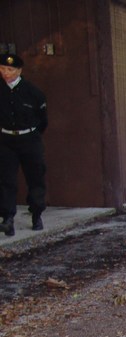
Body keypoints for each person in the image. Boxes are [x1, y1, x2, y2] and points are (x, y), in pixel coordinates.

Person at [0, 53, 48, 237]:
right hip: (6, 140)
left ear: (19, 71)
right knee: (6, 180)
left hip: (29, 139)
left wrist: (31, 135)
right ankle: (7, 219)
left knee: (35, 177)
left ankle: (36, 214)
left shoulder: (33, 92)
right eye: (2, 69)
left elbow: (43, 121)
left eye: (10, 69)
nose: (5, 73)